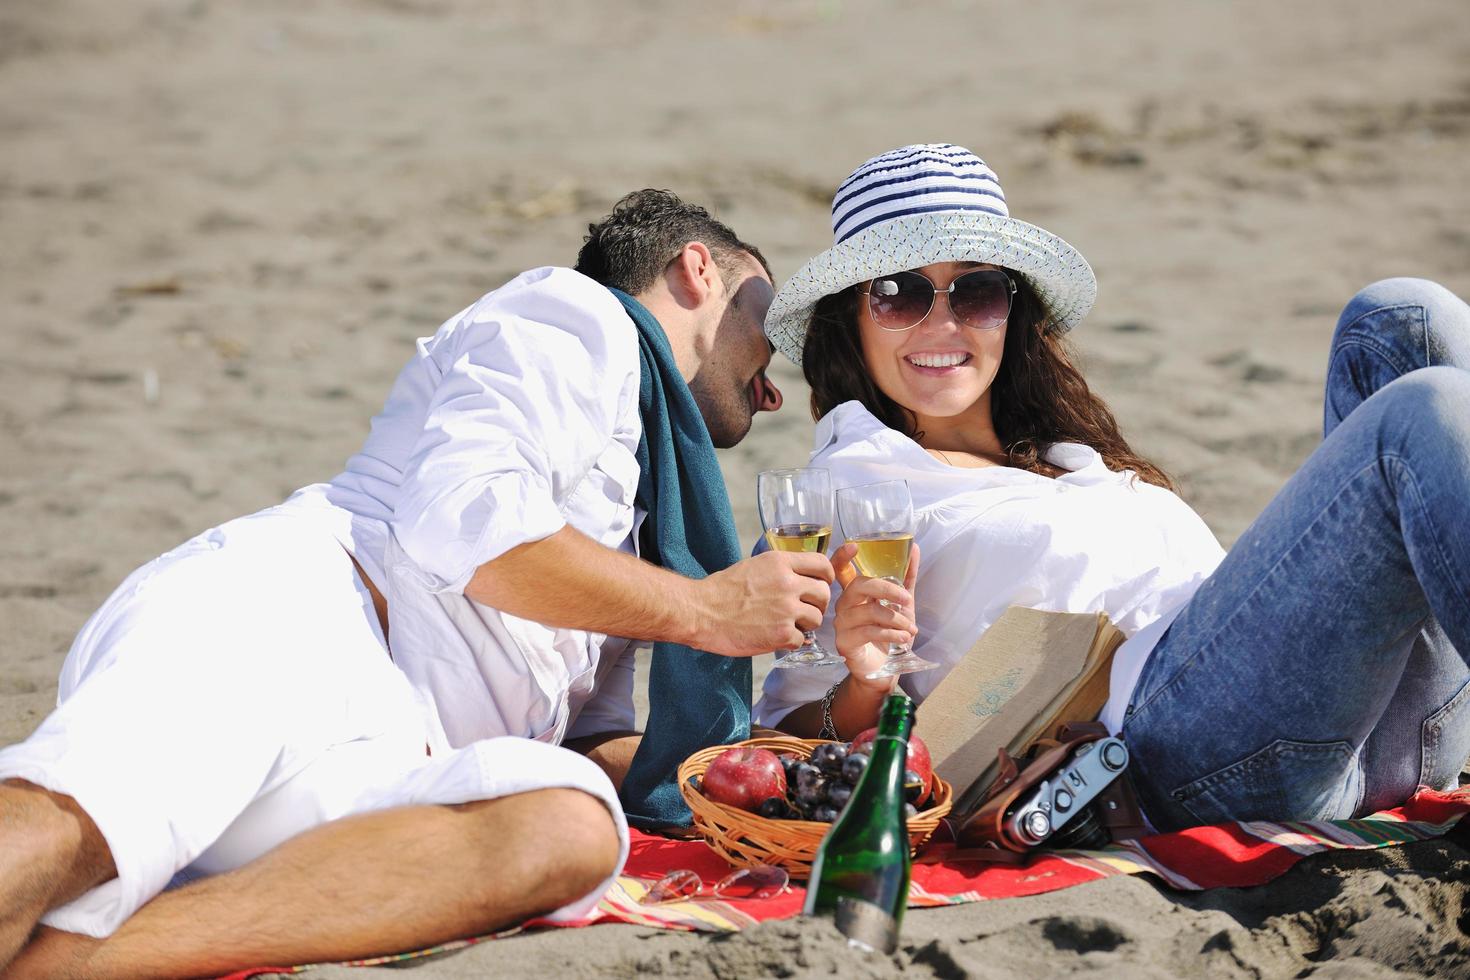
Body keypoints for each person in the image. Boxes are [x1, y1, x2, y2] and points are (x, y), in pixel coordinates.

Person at [0, 189, 838, 976]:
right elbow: (465, 521)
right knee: (79, 822)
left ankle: (69, 963)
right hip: (304, 631)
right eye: (767, 325)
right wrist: (705, 611)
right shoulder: (575, 319)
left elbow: (592, 745)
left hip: (395, 754)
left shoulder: (641, 525)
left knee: (570, 829)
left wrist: (774, 774)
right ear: (698, 270)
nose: (771, 388)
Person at [754, 143, 1470, 835]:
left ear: (1013, 310)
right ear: (851, 317)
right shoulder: (848, 487)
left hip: (1374, 729)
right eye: (898, 293)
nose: (942, 322)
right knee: (1422, 412)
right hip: (1172, 753)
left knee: (1401, 318)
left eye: (976, 291)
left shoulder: (1066, 454)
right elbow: (781, 736)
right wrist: (869, 681)